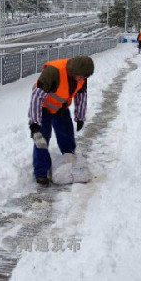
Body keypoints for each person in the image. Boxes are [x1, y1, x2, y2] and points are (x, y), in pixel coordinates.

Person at [28, 55, 94, 186]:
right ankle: (41, 173)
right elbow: (36, 97)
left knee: (67, 135)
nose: (82, 79)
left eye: (85, 77)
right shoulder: (53, 72)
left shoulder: (82, 77)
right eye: (81, 76)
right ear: (73, 71)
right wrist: (34, 123)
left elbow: (81, 96)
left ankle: (69, 161)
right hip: (43, 107)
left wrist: (80, 117)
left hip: (60, 108)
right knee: (42, 139)